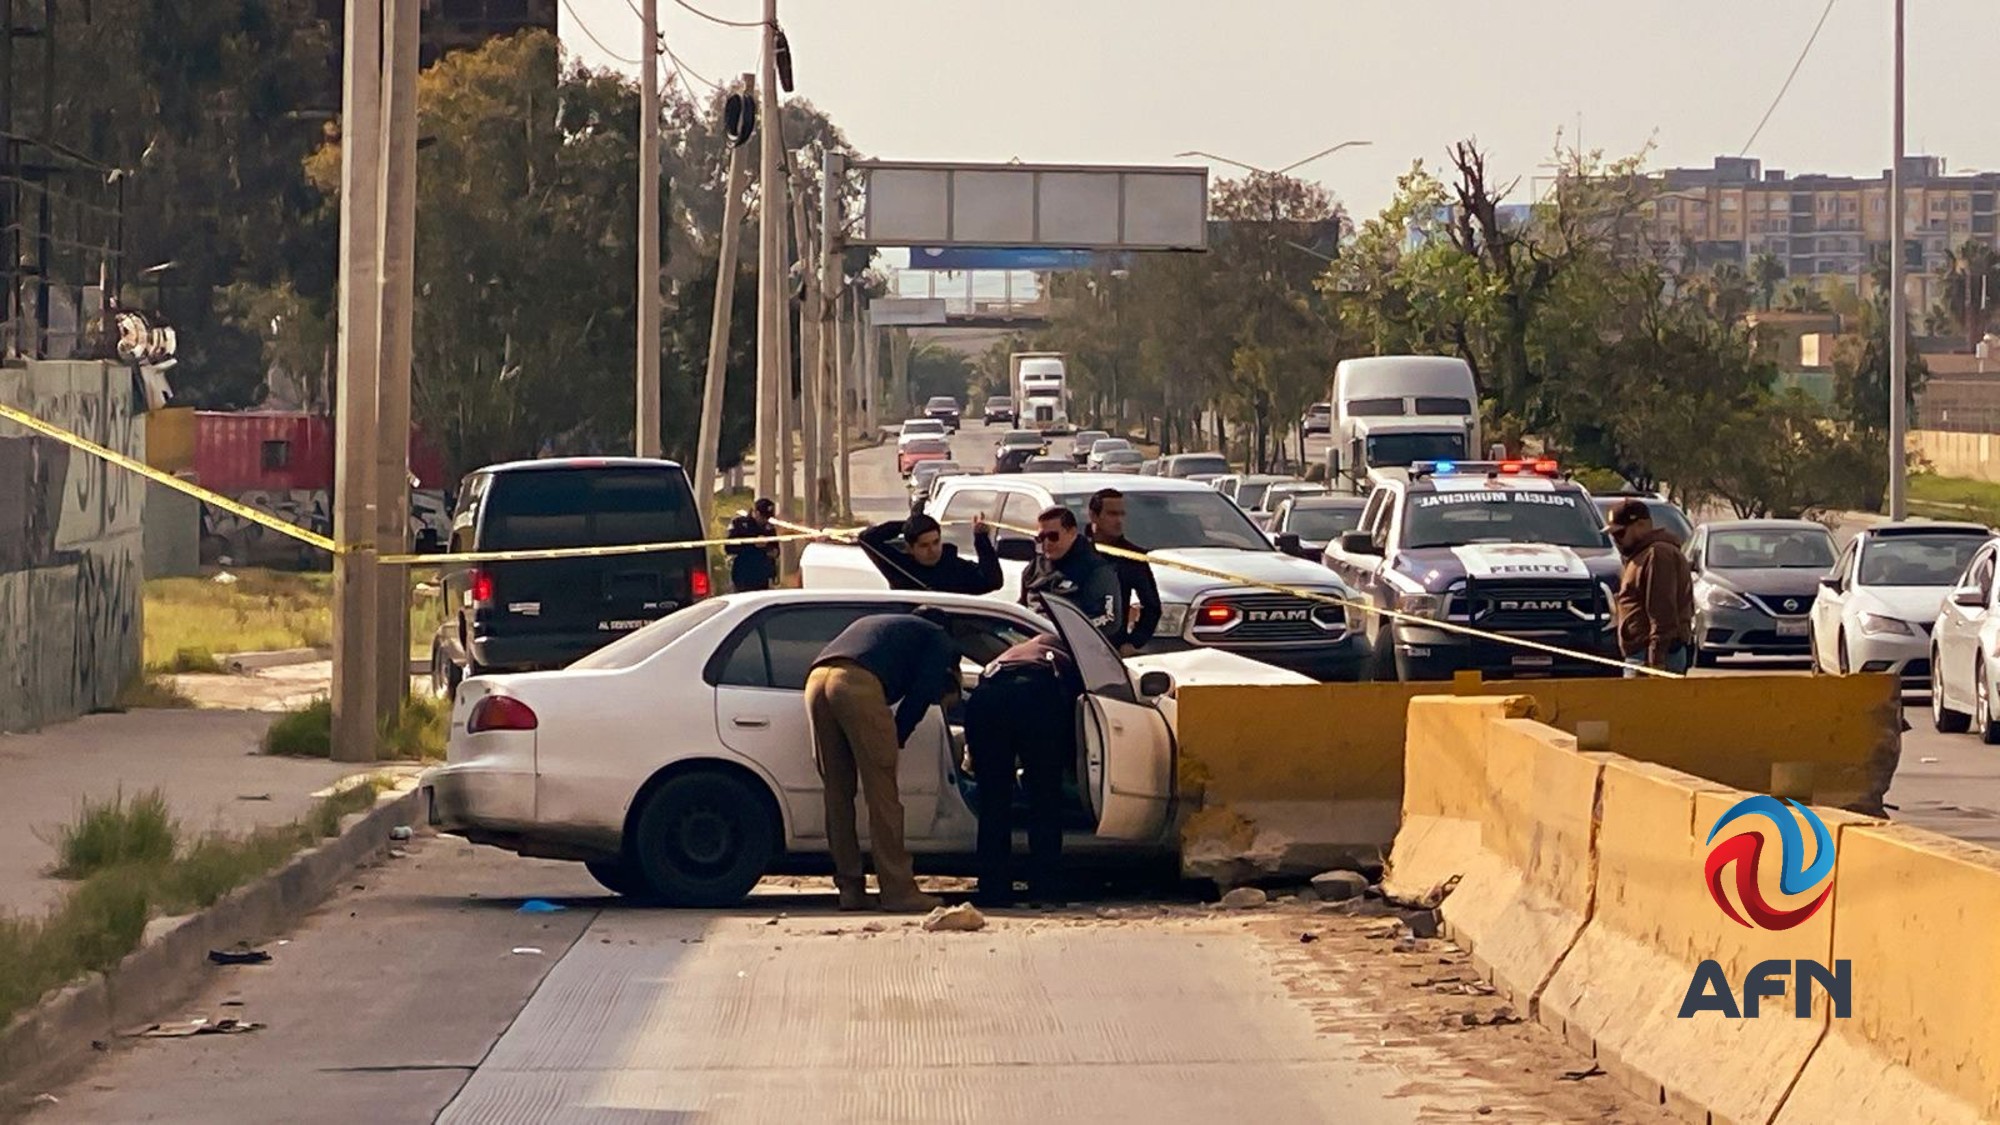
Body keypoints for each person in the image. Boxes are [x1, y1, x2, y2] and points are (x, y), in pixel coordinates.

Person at [804, 607, 962, 913]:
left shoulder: (886, 627)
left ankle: (850, 890)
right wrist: (898, 735)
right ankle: (898, 890)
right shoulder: (939, 638)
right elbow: (923, 691)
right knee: (883, 796)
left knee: (837, 793)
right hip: (857, 684)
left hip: (817, 678)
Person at [961, 631, 1085, 906]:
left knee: (993, 800)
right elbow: (1077, 715)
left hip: (987, 698)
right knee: (1045, 799)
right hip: (1036, 696)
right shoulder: (1069, 657)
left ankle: (993, 890)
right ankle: (1045, 889)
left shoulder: (1009, 656)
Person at [1605, 498, 1695, 675]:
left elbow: (1662, 612)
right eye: (1613, 535)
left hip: (1653, 656)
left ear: (1641, 525)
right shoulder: (1641, 555)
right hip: (1641, 654)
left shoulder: (1657, 554)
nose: (1616, 540)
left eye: (1620, 533)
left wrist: (1656, 662)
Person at [1020, 505, 1123, 641]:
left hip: (1073, 647)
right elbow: (1021, 607)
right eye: (1041, 538)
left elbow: (1110, 620)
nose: (1046, 543)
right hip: (1031, 639)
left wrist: (1063, 633)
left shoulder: (1096, 570)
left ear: (1072, 533)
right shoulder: (1034, 568)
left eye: (1052, 536)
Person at [1086, 488, 1161, 655]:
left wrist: (1133, 642)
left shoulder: (1132, 557)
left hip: (1113, 647)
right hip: (1075, 643)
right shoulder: (1076, 550)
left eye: (1121, 514)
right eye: (1112, 514)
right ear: (1093, 515)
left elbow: (1152, 607)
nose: (1119, 520)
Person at [855, 512, 1002, 594]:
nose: (932, 550)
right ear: (910, 548)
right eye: (924, 545)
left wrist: (982, 539)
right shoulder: (900, 567)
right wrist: (907, 524)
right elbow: (866, 539)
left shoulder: (955, 567)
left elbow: (993, 581)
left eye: (936, 542)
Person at [725, 498, 780, 592]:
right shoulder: (740, 524)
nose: (765, 520)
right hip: (743, 574)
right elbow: (729, 547)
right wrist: (752, 544)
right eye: (763, 517)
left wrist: (767, 548)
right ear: (756, 512)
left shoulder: (769, 528)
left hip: (763, 576)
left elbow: (776, 550)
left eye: (768, 517)